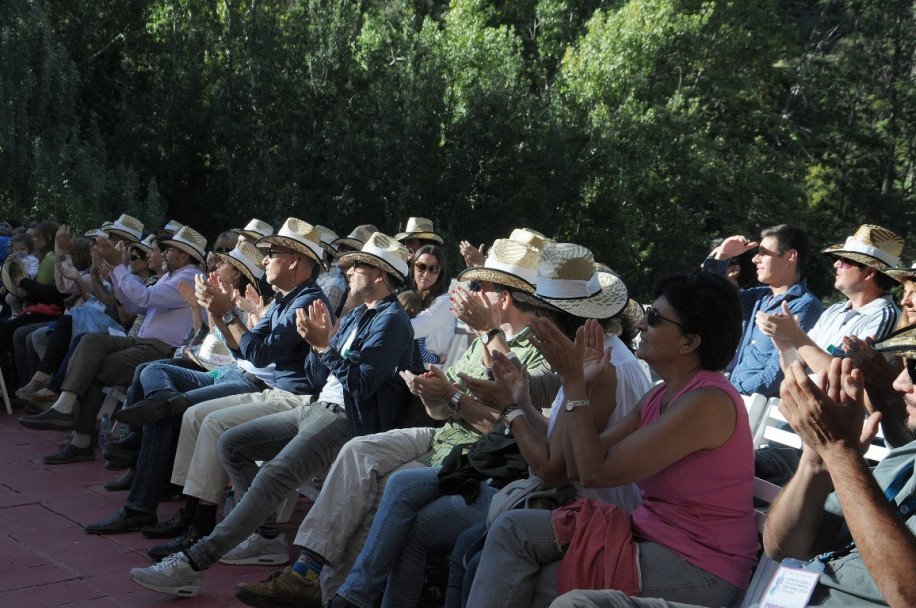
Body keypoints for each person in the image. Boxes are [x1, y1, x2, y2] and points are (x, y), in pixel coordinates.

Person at [321, 245, 651, 608]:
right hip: (516, 471)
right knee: (387, 478)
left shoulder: (596, 367)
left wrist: (509, 405)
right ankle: (347, 593)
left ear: (555, 316)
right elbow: (555, 438)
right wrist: (508, 402)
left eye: (539, 310)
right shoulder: (593, 357)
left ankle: (345, 594)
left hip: (580, 507)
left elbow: (553, 467)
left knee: (429, 526)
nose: (533, 319)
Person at [229, 235, 549, 607]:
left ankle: (327, 590)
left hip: (472, 455)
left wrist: (452, 396)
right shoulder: (473, 336)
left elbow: (508, 429)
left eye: (483, 286)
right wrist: (432, 394)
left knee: (381, 489)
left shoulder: (531, 353)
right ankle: (309, 572)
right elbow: (442, 413)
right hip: (441, 434)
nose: (474, 292)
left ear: (503, 297)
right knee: (357, 451)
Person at [126, 232, 423, 598]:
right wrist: (318, 348)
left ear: (379, 274)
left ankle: (194, 562)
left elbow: (361, 386)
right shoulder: (358, 315)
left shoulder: (391, 321)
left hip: (348, 420)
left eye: (356, 265)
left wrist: (323, 347)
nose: (347, 270)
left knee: (274, 475)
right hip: (318, 407)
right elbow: (316, 376)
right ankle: (266, 536)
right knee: (231, 443)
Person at [466, 272, 758, 608]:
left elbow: (592, 472)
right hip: (648, 533)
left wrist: (574, 383)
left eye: (653, 318)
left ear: (689, 342)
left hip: (702, 565)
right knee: (512, 528)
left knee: (546, 584)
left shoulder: (706, 402)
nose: (641, 326)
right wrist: (574, 383)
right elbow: (580, 460)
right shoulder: (660, 395)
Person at [84, 221, 328, 535]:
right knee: (157, 380)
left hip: (281, 395)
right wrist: (217, 310)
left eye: (272, 253)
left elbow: (258, 356)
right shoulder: (287, 298)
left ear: (293, 260)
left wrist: (224, 312)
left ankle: (181, 517)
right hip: (253, 381)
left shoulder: (306, 302)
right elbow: (243, 352)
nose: (264, 260)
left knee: (182, 413)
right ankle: (174, 510)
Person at [18, 225, 207, 464]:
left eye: (169, 250)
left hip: (163, 349)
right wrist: (115, 276)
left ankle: (79, 437)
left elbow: (143, 298)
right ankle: (65, 409)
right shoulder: (172, 275)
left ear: (184, 256)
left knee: (94, 366)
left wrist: (119, 267)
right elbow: (134, 307)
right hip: (142, 342)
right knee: (90, 341)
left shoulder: (189, 277)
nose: (165, 253)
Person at [758, 224, 903, 376]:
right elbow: (794, 370)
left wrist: (794, 335)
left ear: (869, 272)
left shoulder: (885, 318)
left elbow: (844, 378)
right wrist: (785, 346)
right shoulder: (834, 310)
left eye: (845, 261)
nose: (836, 264)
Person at [702, 224, 822, 397]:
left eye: (764, 253)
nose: (755, 259)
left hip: (753, 405)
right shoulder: (759, 297)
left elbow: (777, 375)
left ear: (790, 256)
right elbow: (709, 296)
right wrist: (723, 256)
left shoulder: (805, 305)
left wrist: (729, 394)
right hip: (732, 394)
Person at [406, 244, 455, 365]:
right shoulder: (407, 296)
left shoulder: (446, 302)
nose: (426, 274)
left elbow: (411, 329)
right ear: (413, 267)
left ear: (440, 273)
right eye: (421, 267)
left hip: (428, 375)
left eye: (433, 269)